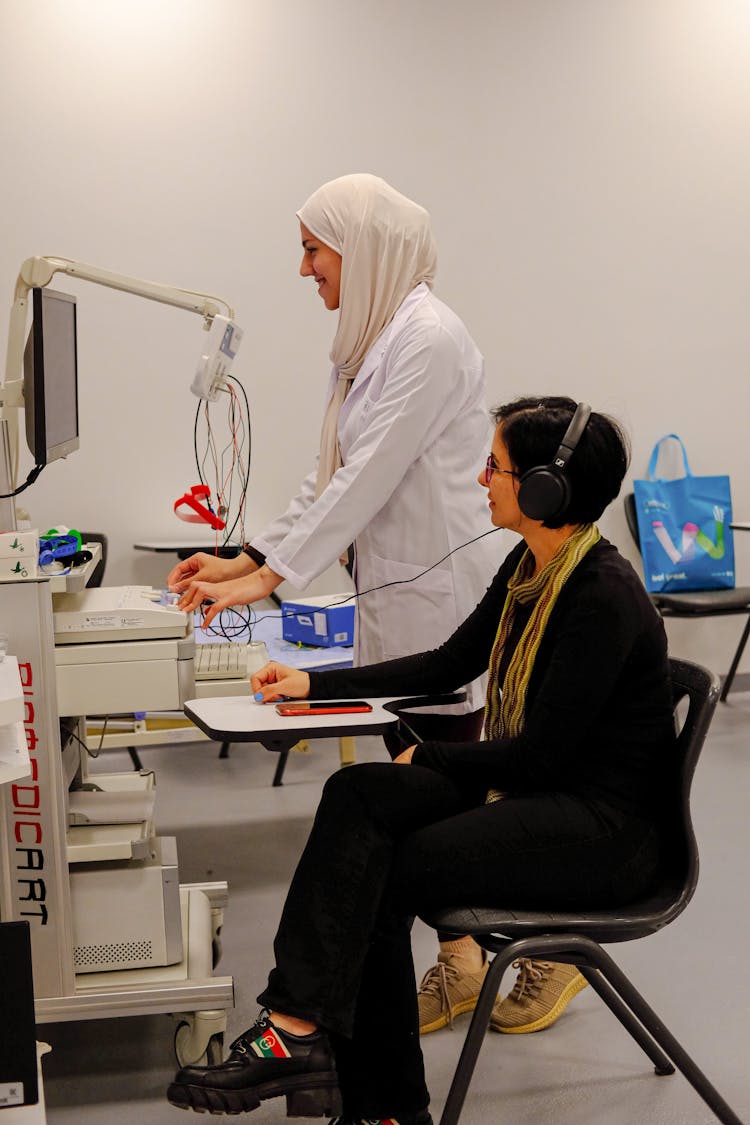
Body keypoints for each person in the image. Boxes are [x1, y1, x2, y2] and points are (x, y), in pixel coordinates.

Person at [166, 396, 676, 1125]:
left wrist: (426, 752)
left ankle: (376, 1098)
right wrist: (316, 683)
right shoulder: (533, 564)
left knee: (384, 865)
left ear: (544, 489)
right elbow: (449, 661)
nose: (479, 480)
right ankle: (305, 1032)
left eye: (493, 467)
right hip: (546, 798)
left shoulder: (601, 595)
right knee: (358, 795)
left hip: (605, 834)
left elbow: (538, 757)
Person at [168, 172, 499, 756]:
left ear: (363, 249)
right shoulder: (371, 340)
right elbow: (330, 474)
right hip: (397, 586)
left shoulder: (430, 339)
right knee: (405, 764)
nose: (304, 269)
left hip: (436, 592)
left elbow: (366, 475)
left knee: (437, 770)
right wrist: (247, 558)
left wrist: (267, 580)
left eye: (312, 249)